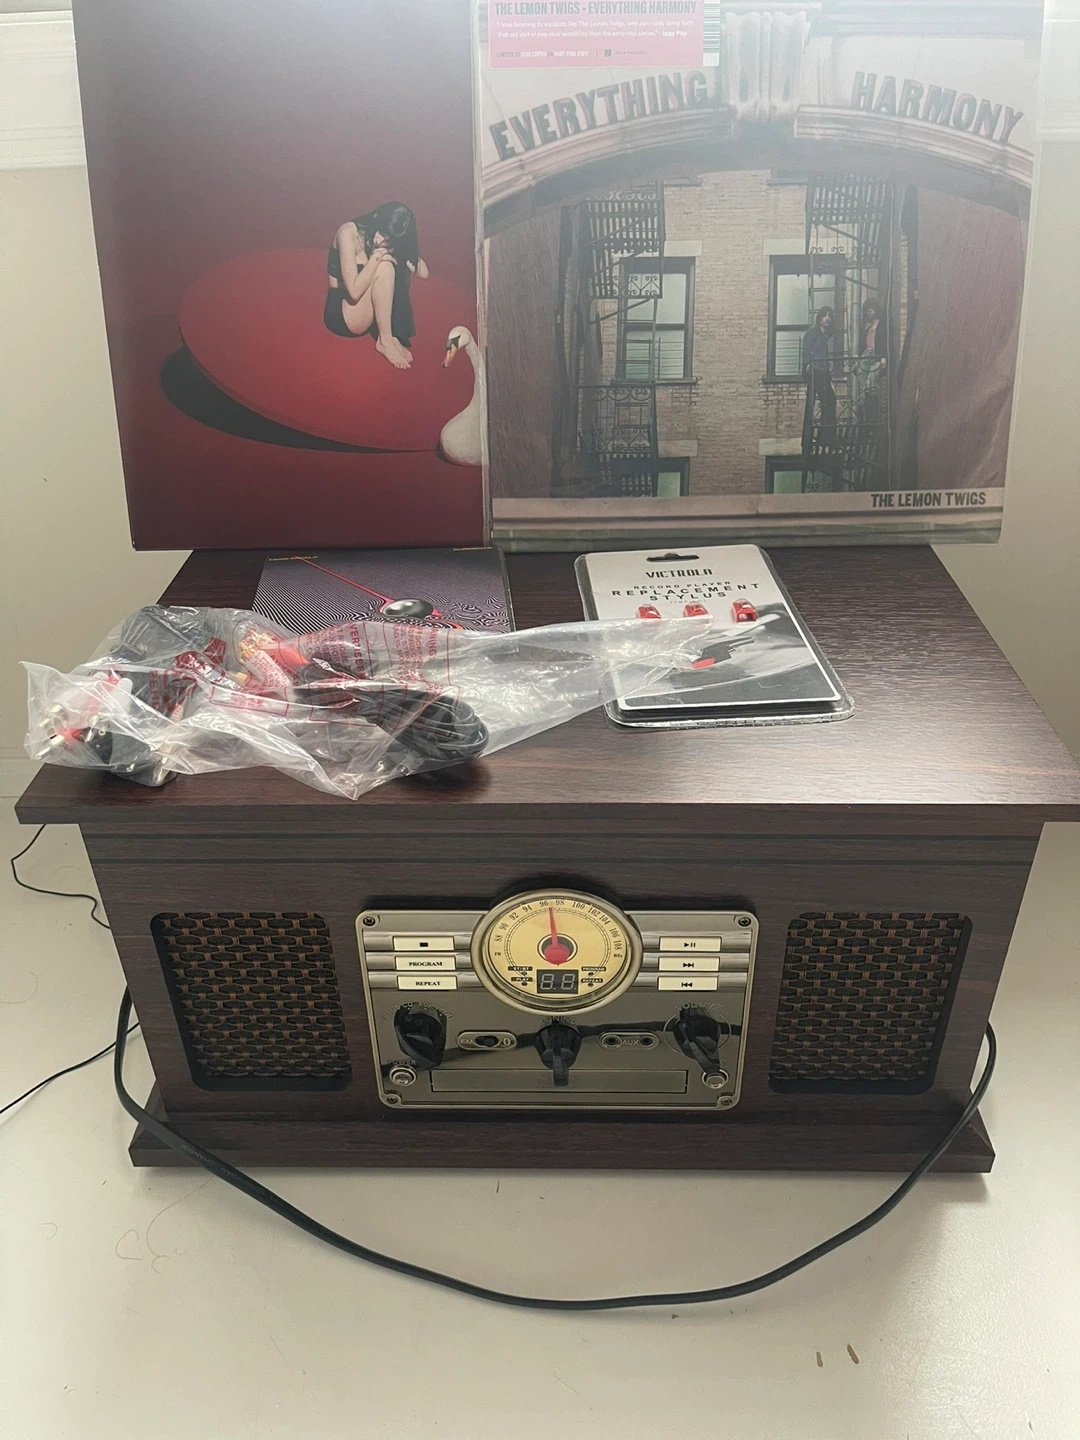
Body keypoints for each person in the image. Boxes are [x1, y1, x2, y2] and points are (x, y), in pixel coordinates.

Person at [324, 202, 429, 370]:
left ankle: (391, 335)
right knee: (385, 266)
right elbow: (354, 291)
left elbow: (424, 273)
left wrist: (401, 249)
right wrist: (378, 257)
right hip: (341, 312)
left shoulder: (386, 240)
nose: (379, 241)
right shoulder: (348, 233)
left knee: (394, 263)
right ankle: (385, 341)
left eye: (387, 239)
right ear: (377, 220)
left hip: (362, 309)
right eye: (381, 233)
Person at [801, 305, 836, 436]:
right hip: (814, 372)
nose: (827, 318)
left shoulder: (823, 336)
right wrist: (807, 365)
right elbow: (806, 350)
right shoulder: (812, 333)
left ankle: (826, 435)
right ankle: (824, 436)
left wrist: (830, 379)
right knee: (823, 401)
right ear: (819, 318)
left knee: (828, 401)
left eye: (829, 316)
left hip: (822, 373)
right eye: (824, 316)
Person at [853, 298, 888, 426]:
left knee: (869, 385)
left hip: (876, 355)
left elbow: (885, 340)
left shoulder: (882, 324)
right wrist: (857, 362)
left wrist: (883, 357)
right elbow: (863, 346)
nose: (869, 311)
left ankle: (873, 417)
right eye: (867, 309)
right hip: (865, 355)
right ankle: (865, 417)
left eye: (871, 308)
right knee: (862, 384)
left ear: (876, 309)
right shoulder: (867, 329)